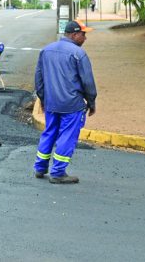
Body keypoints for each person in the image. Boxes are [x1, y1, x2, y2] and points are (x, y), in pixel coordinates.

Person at [33, 20, 97, 184]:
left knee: (49, 132)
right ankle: (58, 172)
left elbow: (39, 79)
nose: (85, 38)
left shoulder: (46, 50)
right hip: (72, 104)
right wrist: (91, 101)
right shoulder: (78, 54)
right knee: (67, 136)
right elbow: (87, 82)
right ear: (75, 34)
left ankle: (40, 168)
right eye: (83, 35)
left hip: (52, 103)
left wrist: (43, 99)